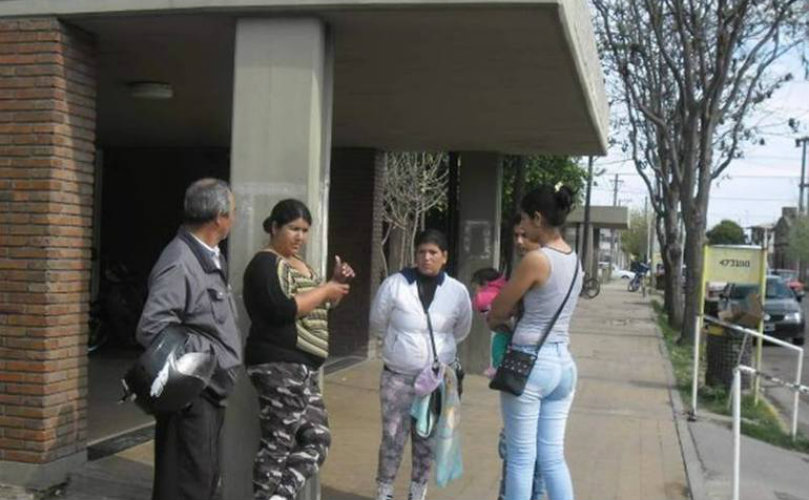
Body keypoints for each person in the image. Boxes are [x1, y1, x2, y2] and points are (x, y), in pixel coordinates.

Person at [136, 178, 242, 500]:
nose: (235, 218)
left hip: (208, 393)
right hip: (193, 395)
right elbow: (152, 326)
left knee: (203, 479)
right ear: (219, 218)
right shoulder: (180, 260)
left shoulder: (210, 256)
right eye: (233, 212)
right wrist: (207, 360)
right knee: (187, 486)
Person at [242, 199, 355, 500]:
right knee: (277, 443)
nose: (300, 237)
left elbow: (321, 308)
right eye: (293, 229)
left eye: (305, 230)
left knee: (317, 439)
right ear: (275, 227)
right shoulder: (265, 264)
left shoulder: (302, 265)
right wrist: (325, 290)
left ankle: (279, 496)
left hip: (303, 368)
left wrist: (335, 285)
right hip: (278, 363)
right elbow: (280, 308)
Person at [489, 184, 583, 500]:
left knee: (520, 458)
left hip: (530, 363)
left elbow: (499, 309)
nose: (524, 227)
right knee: (552, 457)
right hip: (563, 365)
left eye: (526, 220)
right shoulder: (575, 260)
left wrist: (497, 316)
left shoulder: (537, 260)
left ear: (538, 218)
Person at [370, 229, 473, 500]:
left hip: (435, 381)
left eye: (433, 253)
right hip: (398, 378)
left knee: (426, 438)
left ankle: (418, 491)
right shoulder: (395, 285)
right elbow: (377, 322)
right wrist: (400, 348)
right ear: (415, 255)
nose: (426, 258)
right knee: (393, 436)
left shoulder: (457, 291)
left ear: (444, 257)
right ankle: (384, 490)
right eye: (421, 252)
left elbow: (461, 329)